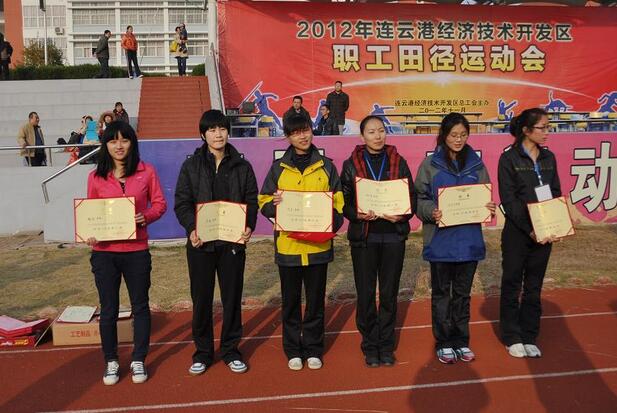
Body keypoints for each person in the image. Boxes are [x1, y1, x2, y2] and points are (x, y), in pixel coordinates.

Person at [174, 109, 258, 376]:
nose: (218, 134)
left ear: (227, 131)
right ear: (203, 135)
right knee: (201, 300)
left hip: (232, 244)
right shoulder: (191, 166)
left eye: (222, 128)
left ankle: (231, 350)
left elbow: (251, 201)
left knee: (232, 299)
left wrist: (249, 225)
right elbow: (182, 202)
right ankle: (203, 352)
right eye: (212, 130)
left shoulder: (242, 166)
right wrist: (191, 229)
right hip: (201, 244)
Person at [258, 114, 344, 371]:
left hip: (318, 246)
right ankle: (293, 349)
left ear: (311, 130)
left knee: (316, 302)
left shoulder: (327, 166)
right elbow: (263, 200)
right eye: (295, 133)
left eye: (305, 130)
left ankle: (314, 348)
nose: (302, 136)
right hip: (288, 247)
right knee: (291, 302)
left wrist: (332, 220)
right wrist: (273, 206)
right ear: (287, 137)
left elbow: (339, 202)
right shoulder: (278, 168)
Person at [86, 121, 167, 385]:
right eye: (113, 141)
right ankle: (111, 360)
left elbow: (160, 204)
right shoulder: (95, 177)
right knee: (108, 309)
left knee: (140, 306)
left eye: (124, 140)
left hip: (136, 251)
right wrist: (90, 233)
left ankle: (138, 358)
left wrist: (146, 216)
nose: (119, 146)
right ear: (106, 145)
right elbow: (91, 213)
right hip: (104, 253)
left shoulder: (147, 171)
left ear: (132, 142)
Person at [415, 113, 496, 364]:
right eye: (453, 135)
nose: (458, 140)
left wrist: (489, 207)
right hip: (440, 242)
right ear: (444, 135)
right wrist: (431, 211)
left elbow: (485, 197)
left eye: (463, 135)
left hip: (469, 242)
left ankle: (461, 340)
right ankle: (443, 342)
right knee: (442, 295)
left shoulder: (477, 165)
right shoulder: (430, 165)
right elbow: (419, 199)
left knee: (462, 295)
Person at [340, 115, 415, 367]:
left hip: (393, 236)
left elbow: (411, 197)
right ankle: (370, 344)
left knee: (389, 293)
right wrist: (357, 214)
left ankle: (386, 344)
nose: (377, 136)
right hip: (365, 237)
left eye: (381, 130)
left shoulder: (399, 162)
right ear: (362, 136)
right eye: (371, 132)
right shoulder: (351, 164)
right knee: (365, 293)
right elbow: (344, 202)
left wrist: (402, 214)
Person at [498, 108, 561, 359]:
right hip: (518, 232)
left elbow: (555, 192)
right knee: (512, 283)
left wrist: (555, 225)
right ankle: (512, 336)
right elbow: (509, 200)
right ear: (526, 130)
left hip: (545, 232)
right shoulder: (509, 159)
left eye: (548, 127)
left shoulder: (549, 157)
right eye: (542, 127)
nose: (547, 132)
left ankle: (529, 335)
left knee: (534, 285)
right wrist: (530, 229)